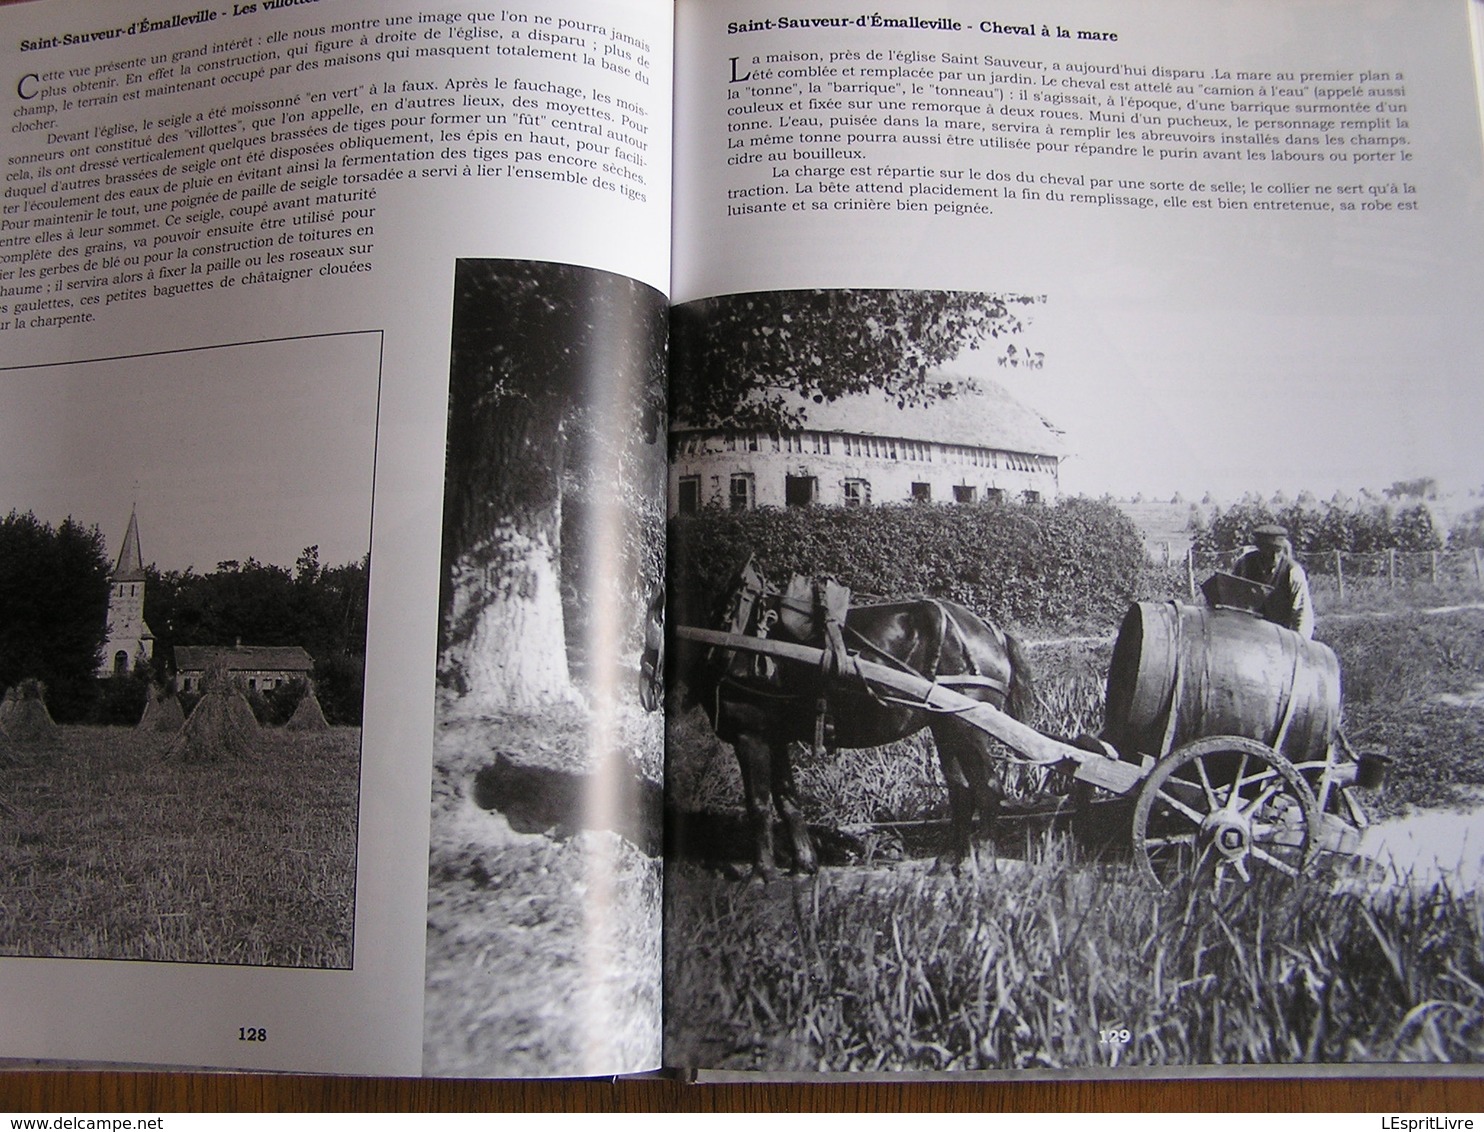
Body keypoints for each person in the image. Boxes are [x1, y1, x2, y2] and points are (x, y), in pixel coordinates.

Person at [1233, 523, 1315, 639]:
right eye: (1268, 551)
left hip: (1281, 637)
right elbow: (1231, 600)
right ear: (1259, 549)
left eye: (1278, 551)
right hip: (1250, 633)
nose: (1273, 557)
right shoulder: (1244, 565)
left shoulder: (1293, 571)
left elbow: (1302, 614)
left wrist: (1299, 644)